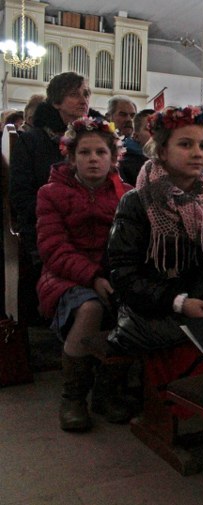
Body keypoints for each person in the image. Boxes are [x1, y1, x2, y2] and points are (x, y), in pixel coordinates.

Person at [106, 105, 203, 358]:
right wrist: (179, 302)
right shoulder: (137, 201)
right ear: (162, 151)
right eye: (185, 144)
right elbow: (124, 274)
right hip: (154, 311)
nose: (197, 153)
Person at [35, 117, 132, 431]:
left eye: (101, 152)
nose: (93, 159)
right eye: (84, 152)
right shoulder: (51, 193)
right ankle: (74, 396)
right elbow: (53, 247)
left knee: (133, 307)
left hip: (112, 273)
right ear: (71, 156)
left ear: (113, 157)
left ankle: (106, 391)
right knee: (90, 307)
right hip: (65, 275)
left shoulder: (126, 194)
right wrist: (93, 277)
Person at [10, 72, 103, 324]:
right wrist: (65, 217)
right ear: (56, 102)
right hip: (48, 230)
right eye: (74, 94)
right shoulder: (32, 141)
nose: (83, 100)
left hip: (95, 228)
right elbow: (21, 196)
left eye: (86, 93)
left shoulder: (98, 139)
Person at [118, 108, 154, 185]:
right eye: (150, 128)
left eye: (160, 128)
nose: (157, 132)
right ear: (136, 136)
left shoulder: (168, 159)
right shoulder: (125, 165)